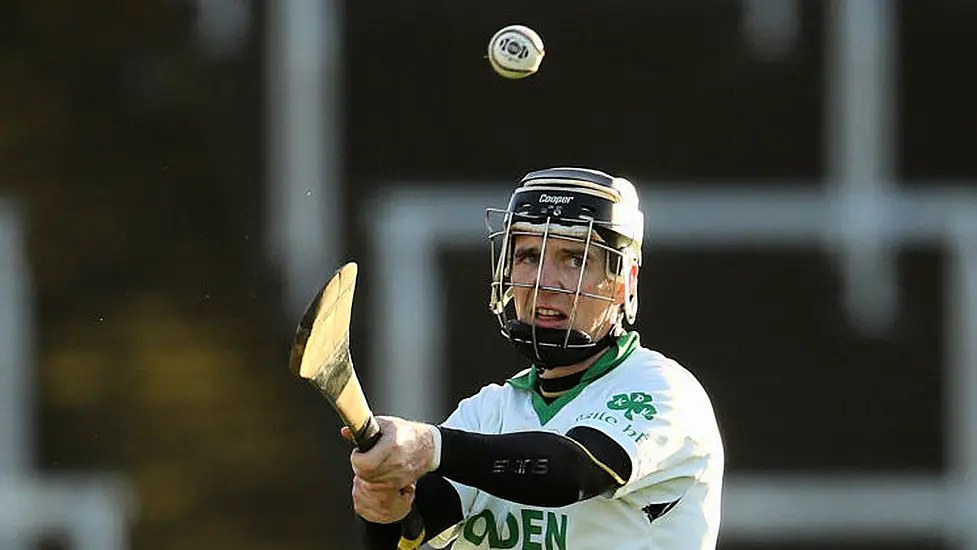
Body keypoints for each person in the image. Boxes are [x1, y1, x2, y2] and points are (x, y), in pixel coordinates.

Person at [344, 167, 724, 549]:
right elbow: (409, 532)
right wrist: (385, 508)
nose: (544, 280)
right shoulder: (488, 412)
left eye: (574, 260)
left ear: (624, 281)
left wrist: (430, 446)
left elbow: (570, 472)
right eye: (528, 255)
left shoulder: (662, 390)